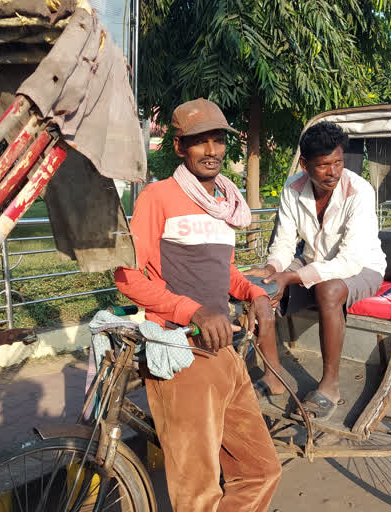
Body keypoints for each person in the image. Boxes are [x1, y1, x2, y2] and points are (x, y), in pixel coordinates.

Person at [114, 98, 282, 511]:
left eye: (218, 139)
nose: (211, 150)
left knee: (262, 470)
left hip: (223, 350)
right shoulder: (158, 197)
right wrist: (192, 311)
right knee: (198, 493)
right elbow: (127, 277)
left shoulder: (224, 202)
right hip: (180, 351)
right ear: (179, 147)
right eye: (199, 141)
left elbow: (223, 273)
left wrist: (255, 293)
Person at [245, 121, 386, 421]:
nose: (333, 172)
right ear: (306, 164)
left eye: (338, 162)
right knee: (258, 284)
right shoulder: (293, 188)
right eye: (323, 165)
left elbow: (349, 261)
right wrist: (273, 270)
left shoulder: (359, 191)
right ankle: (273, 376)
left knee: (329, 288)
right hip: (312, 259)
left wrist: (293, 277)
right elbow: (283, 244)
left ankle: (330, 386)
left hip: (363, 266)